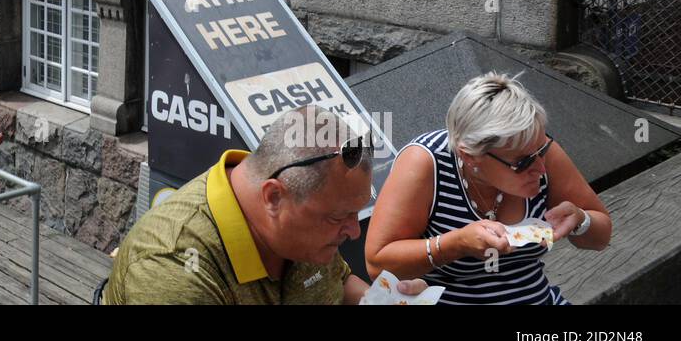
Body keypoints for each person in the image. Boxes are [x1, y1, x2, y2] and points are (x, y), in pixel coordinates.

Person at [103, 106, 426, 304]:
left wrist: (385, 301)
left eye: (356, 213)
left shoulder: (304, 228)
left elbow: (337, 282)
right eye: (339, 217)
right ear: (274, 196)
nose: (355, 232)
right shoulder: (173, 269)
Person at [365, 73, 611, 304]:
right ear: (470, 156)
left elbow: (602, 237)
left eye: (541, 152)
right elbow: (378, 264)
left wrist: (581, 220)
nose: (540, 168)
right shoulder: (426, 163)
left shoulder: (536, 148)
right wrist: (456, 244)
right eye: (522, 162)